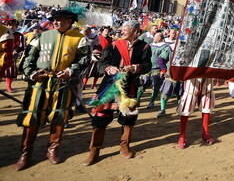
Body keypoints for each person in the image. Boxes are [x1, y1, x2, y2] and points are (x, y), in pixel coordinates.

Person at [14, 10, 89, 171]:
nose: (55, 22)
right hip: (41, 81)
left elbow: (84, 59)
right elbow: (28, 58)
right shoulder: (42, 36)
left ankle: (52, 150)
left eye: (60, 20)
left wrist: (70, 71)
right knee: (32, 115)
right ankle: (26, 153)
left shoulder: (80, 38)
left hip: (63, 82)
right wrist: (32, 73)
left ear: (69, 22)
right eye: (54, 20)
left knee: (59, 115)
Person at [83, 20, 151, 166]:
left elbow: (147, 66)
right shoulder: (113, 45)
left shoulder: (144, 47)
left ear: (134, 31)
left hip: (129, 86)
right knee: (100, 117)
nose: (122, 32)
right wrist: (109, 69)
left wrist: (135, 68)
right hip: (109, 85)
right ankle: (94, 150)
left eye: (125, 30)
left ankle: (124, 146)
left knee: (127, 118)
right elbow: (102, 63)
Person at [176, 77, 216, 148]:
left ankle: (205, 133)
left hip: (208, 80)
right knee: (186, 108)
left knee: (206, 107)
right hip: (192, 81)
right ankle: (182, 136)